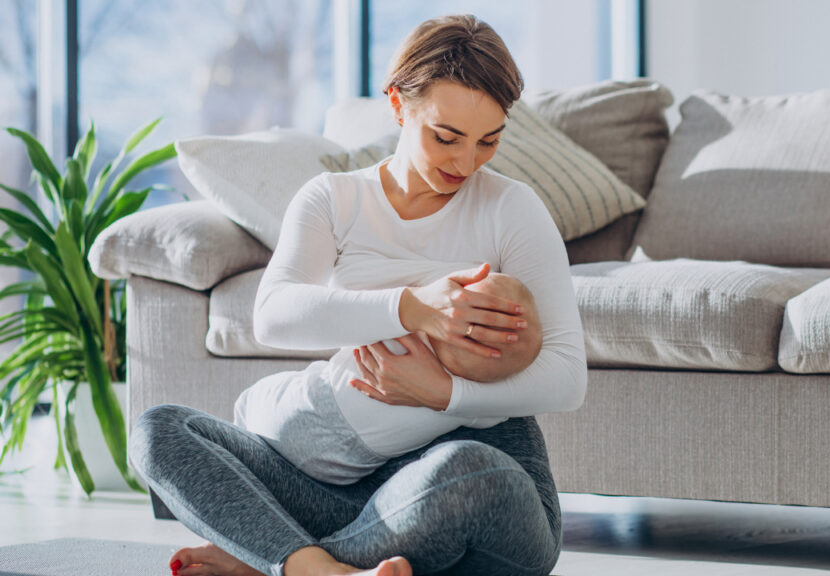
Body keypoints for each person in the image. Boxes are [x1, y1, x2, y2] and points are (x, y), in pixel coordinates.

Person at [128, 13, 586, 576]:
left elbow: (568, 377)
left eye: (488, 141)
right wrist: (412, 307)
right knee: (159, 430)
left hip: (470, 488)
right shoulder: (336, 199)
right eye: (446, 137)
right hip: (341, 489)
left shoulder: (512, 209)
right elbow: (272, 314)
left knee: (469, 473)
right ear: (398, 104)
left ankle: (274, 559)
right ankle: (319, 568)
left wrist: (444, 392)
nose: (465, 164)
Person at [233, 271, 544, 486]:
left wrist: (418, 302)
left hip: (309, 405)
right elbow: (504, 408)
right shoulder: (478, 410)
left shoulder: (404, 334)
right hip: (343, 469)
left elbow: (360, 311)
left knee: (247, 404)